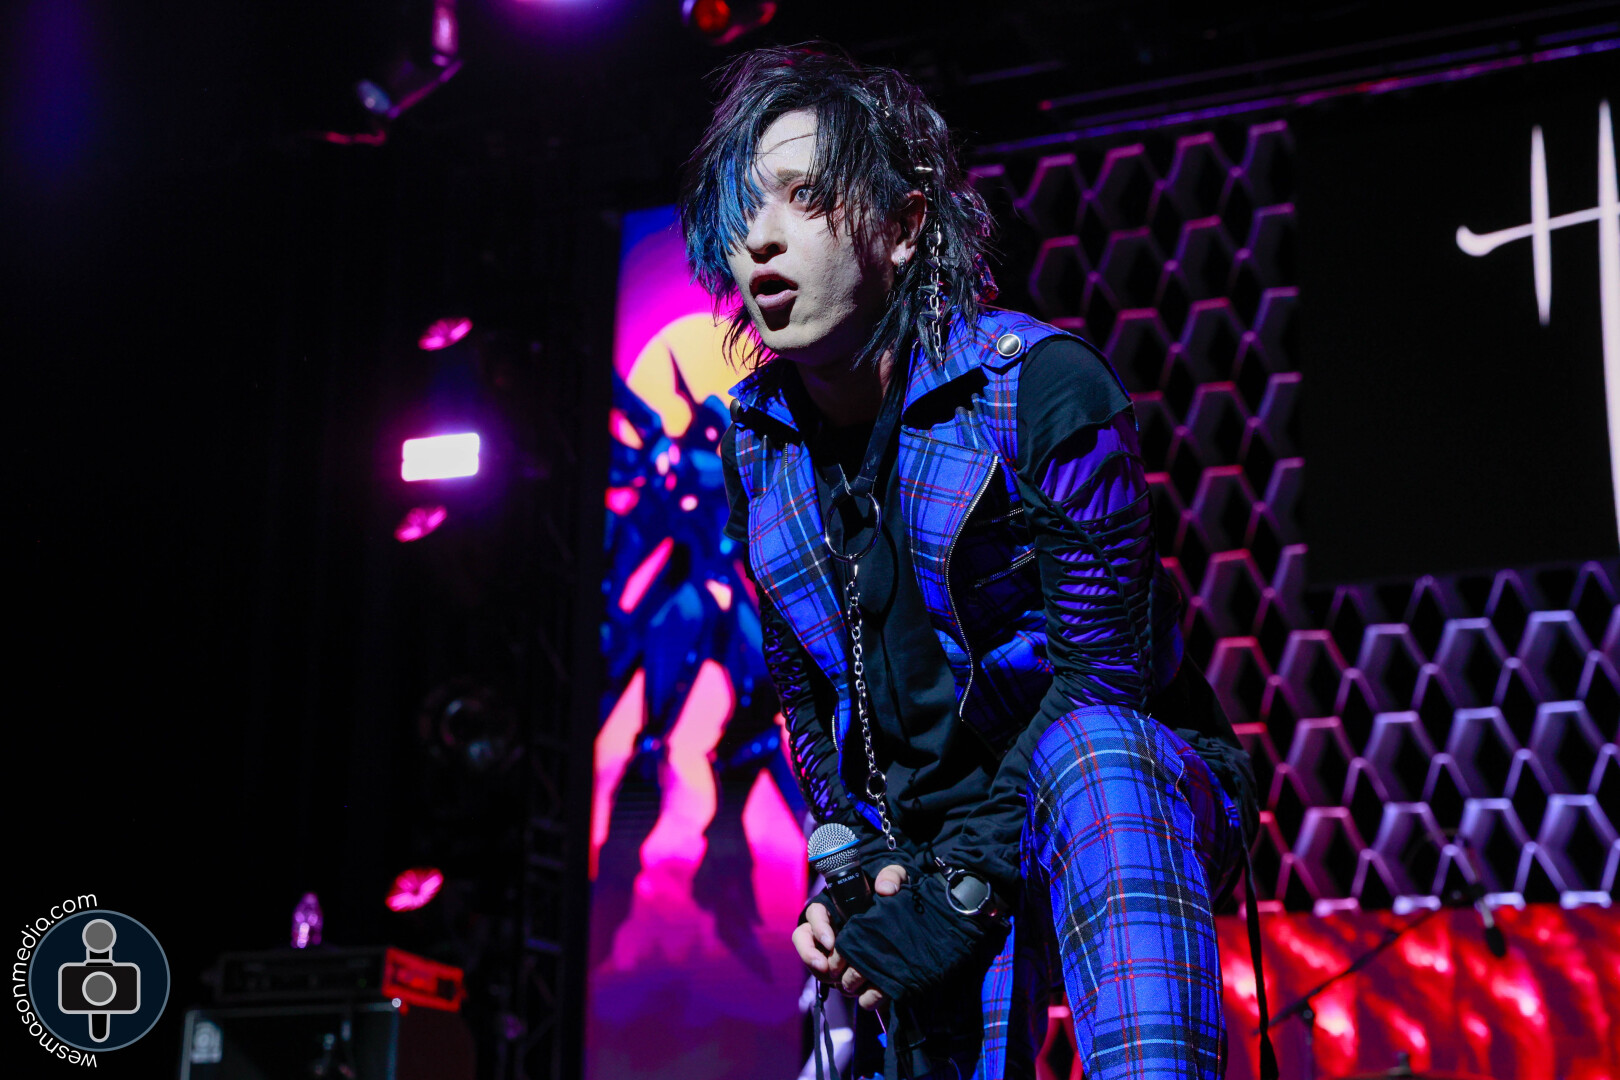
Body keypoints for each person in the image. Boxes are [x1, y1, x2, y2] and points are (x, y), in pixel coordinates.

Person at [679, 45, 1267, 1080]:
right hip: (929, 840)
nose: (759, 238)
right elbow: (806, 694)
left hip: (1109, 803)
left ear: (905, 226)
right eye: (743, 209)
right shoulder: (758, 445)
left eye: (805, 198)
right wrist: (853, 862)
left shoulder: (1041, 389)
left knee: (1097, 761)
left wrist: (961, 888)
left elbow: (1102, 679)